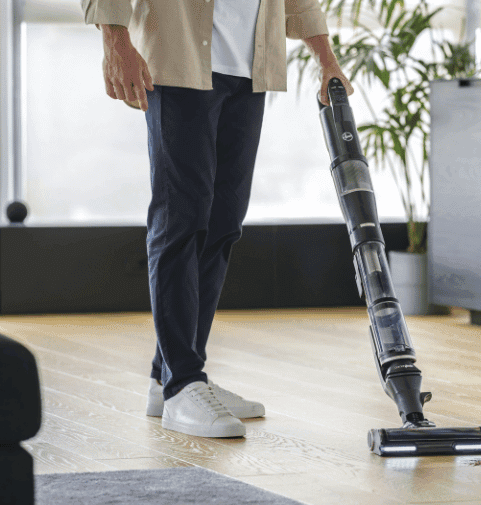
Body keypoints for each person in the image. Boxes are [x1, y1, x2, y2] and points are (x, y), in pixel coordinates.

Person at [81, 0, 353, 438]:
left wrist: (327, 59)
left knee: (223, 224)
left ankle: (166, 376)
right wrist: (115, 39)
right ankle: (183, 383)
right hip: (178, 58)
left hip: (251, 69)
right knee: (181, 220)